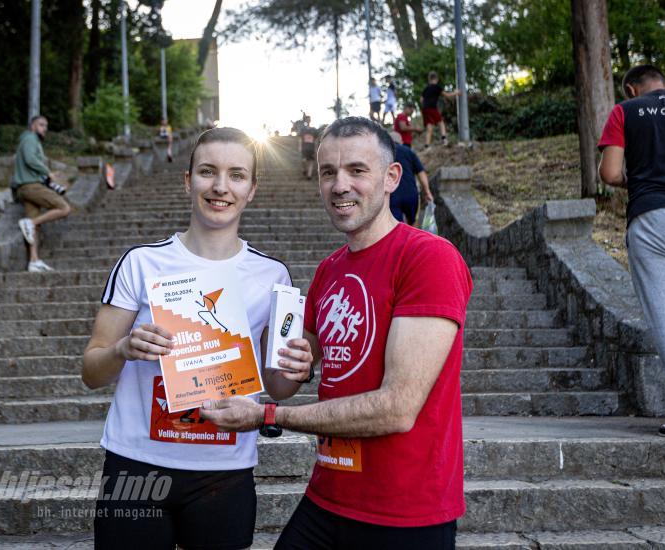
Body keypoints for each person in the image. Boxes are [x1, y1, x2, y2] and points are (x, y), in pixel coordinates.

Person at [201, 117, 473, 549]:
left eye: (356, 171)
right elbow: (287, 376)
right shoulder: (330, 269)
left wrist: (267, 416)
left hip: (405, 512)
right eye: (328, 172)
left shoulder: (428, 257)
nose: (339, 185)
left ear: (391, 178)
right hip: (329, 494)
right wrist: (223, 338)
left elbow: (396, 408)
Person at [82, 127, 314, 549]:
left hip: (223, 470)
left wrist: (300, 367)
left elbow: (278, 387)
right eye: (208, 172)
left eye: (236, 175)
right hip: (138, 463)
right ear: (188, 180)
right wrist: (123, 348)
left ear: (252, 189)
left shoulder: (272, 275)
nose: (221, 186)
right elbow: (92, 370)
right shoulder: (140, 263)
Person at [598, 64, 665, 436]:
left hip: (656, 218)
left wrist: (639, 176)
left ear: (631, 90)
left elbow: (609, 173)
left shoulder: (626, 111)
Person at [12, 115, 71, 272]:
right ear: (32, 126)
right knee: (64, 208)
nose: (44, 128)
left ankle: (34, 260)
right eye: (41, 125)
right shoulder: (30, 138)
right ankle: (30, 223)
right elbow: (30, 159)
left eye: (45, 126)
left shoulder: (28, 140)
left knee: (35, 225)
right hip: (31, 187)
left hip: (25, 188)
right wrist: (48, 173)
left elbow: (30, 164)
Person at [389, 131, 433, 225]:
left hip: (392, 195)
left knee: (396, 226)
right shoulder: (408, 151)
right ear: (401, 141)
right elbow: (421, 172)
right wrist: (427, 192)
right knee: (413, 224)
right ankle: (412, 239)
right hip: (411, 194)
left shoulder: (386, 153)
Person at [421, 72, 461, 148]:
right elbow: (447, 95)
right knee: (441, 122)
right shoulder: (437, 87)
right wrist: (456, 93)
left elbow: (421, 100)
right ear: (436, 79)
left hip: (425, 109)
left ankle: (427, 145)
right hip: (432, 108)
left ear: (429, 79)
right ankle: (444, 139)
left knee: (429, 127)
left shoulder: (426, 88)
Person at [299, 116, 319, 180]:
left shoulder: (314, 129)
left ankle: (309, 176)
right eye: (307, 119)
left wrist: (316, 148)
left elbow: (315, 140)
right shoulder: (303, 129)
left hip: (311, 147)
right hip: (304, 147)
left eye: (309, 119)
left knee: (311, 161)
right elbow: (300, 138)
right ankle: (304, 169)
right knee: (303, 160)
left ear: (310, 120)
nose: (308, 121)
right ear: (305, 121)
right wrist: (300, 146)